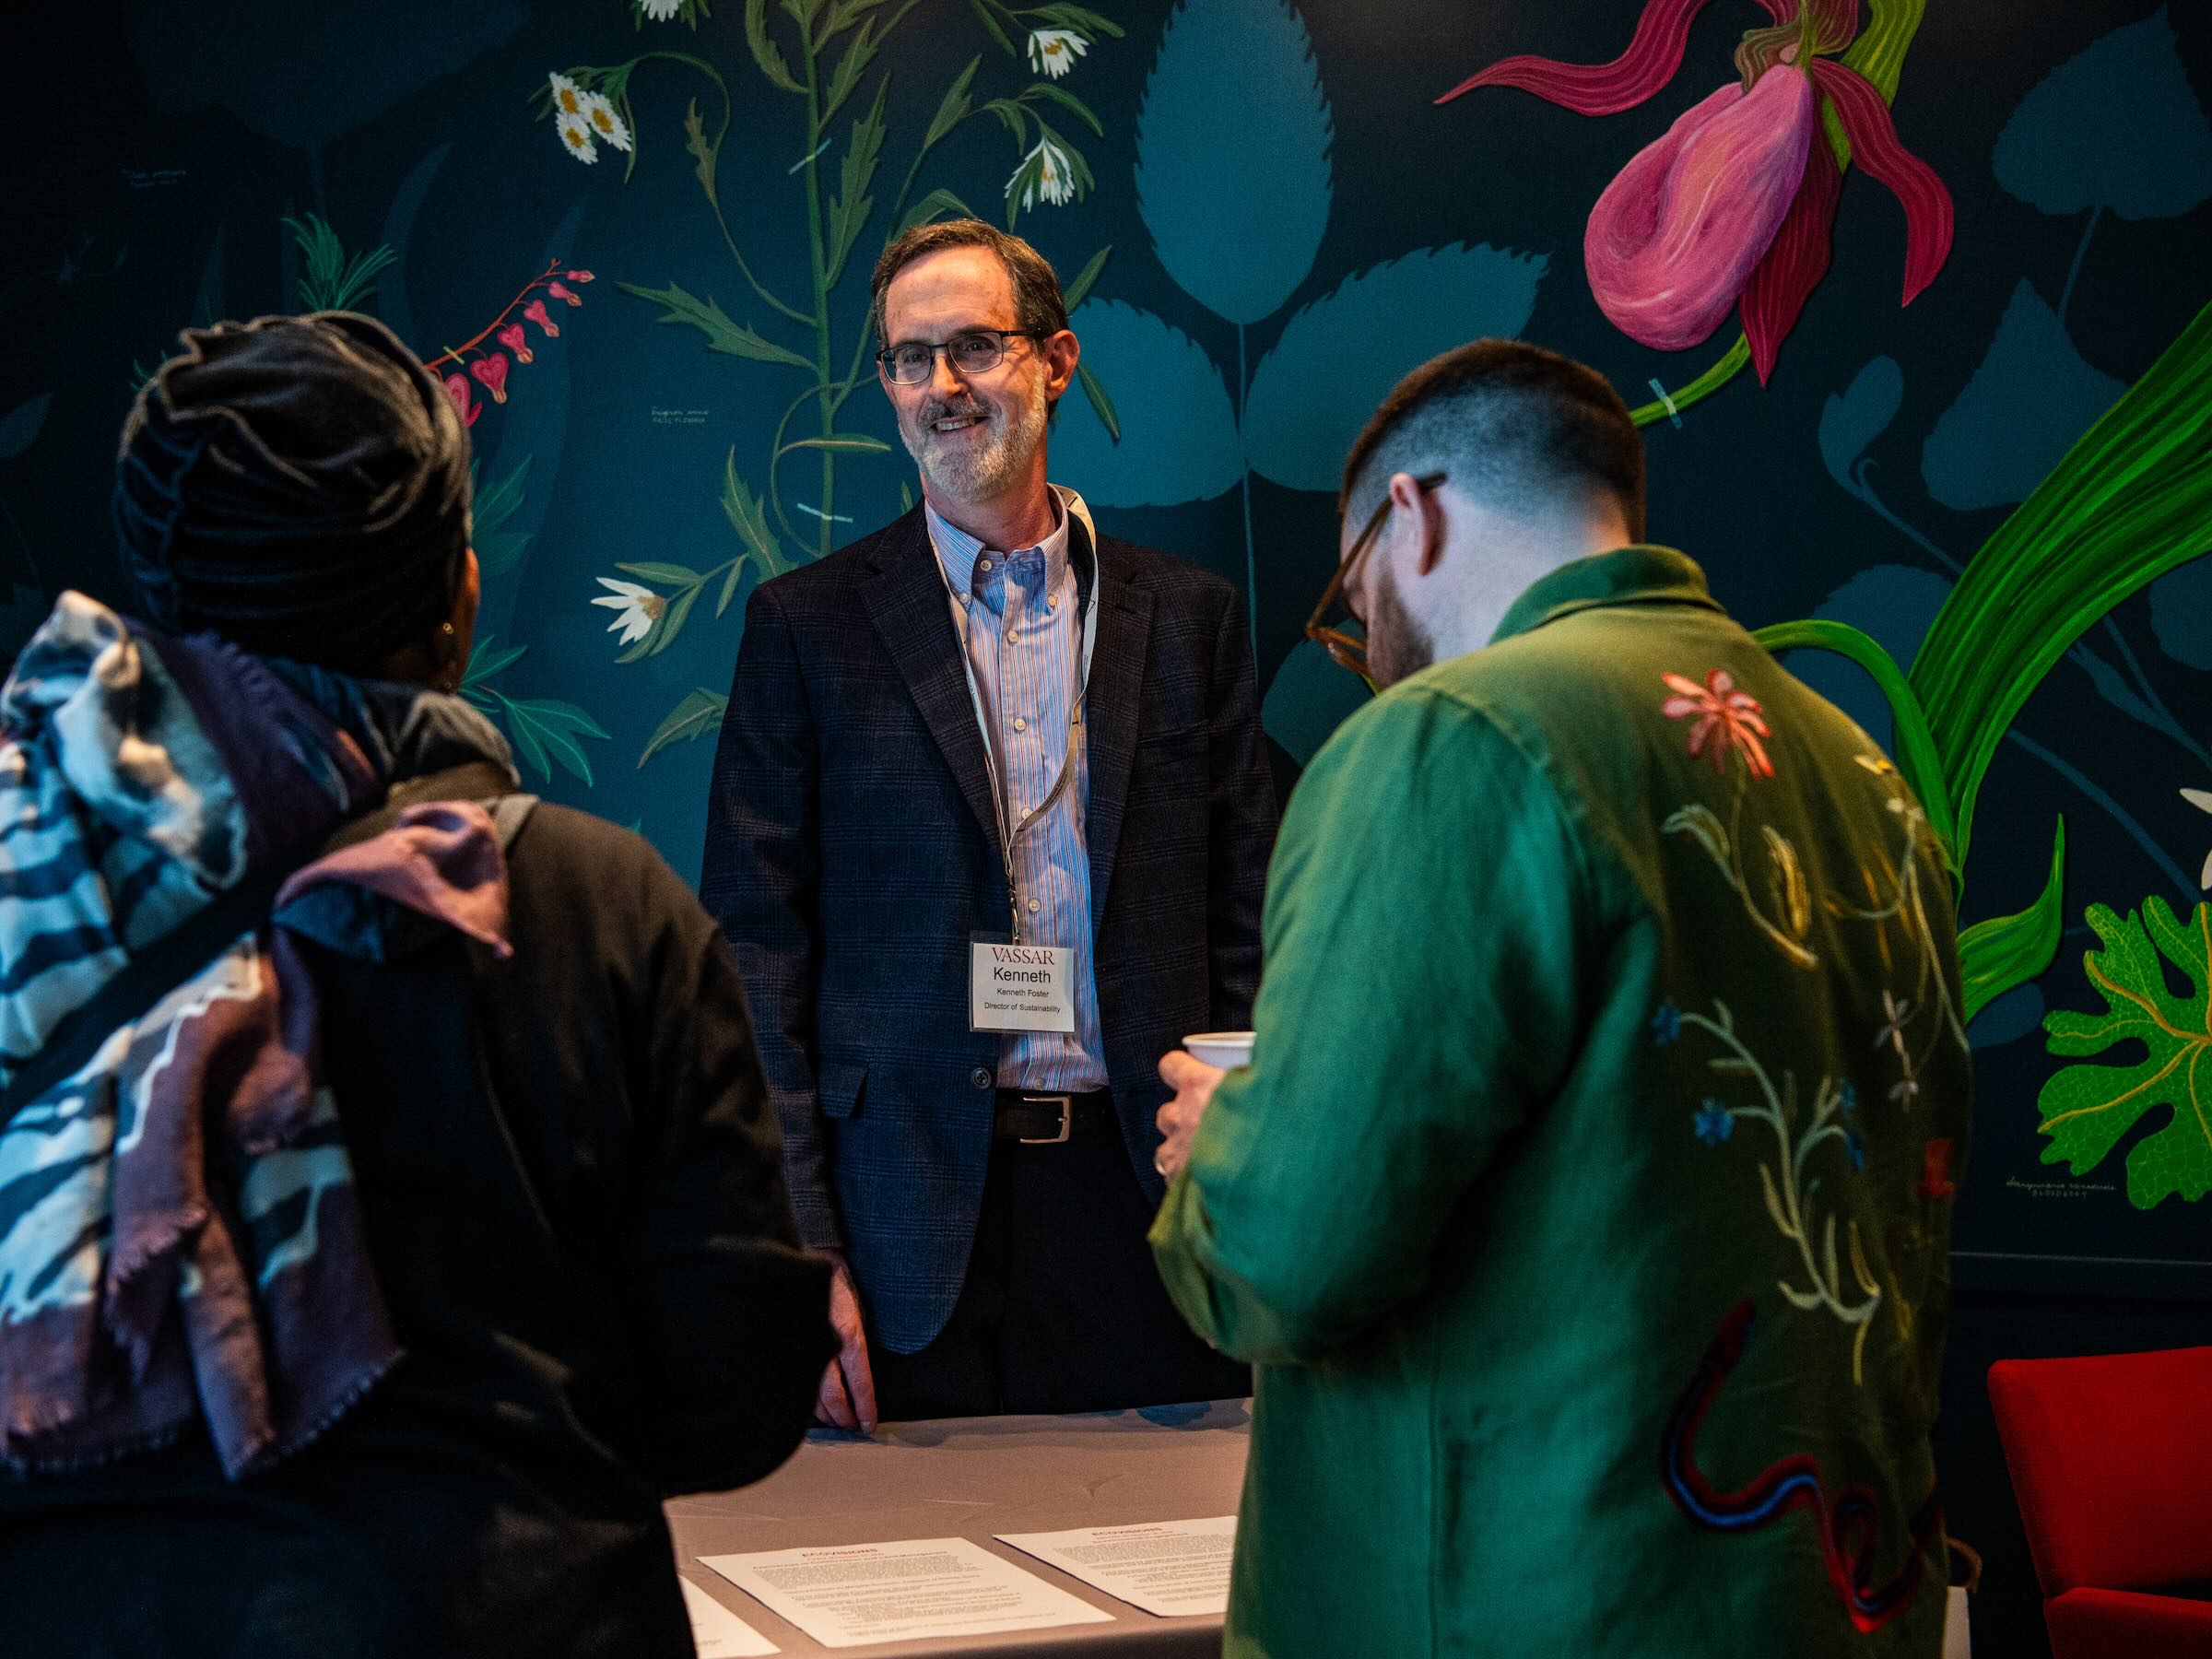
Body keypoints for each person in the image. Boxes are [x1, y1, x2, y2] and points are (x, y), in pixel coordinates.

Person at [0, 312, 832, 1659]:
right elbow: (735, 1393)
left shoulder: (20, 891)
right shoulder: (602, 907)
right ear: (458, 600)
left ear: (152, 599)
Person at [1148, 340, 1972, 1656]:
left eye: (1353, 598)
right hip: (1830, 1606)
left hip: (1526, 1605)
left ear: (1407, 518)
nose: (1366, 643)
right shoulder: (1864, 775)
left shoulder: (1449, 739)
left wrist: (1224, 1149)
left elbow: (1283, 1257)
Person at [701, 219, 1276, 1428]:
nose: (942, 387)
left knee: (1160, 1582)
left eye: (974, 347)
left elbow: (1248, 937)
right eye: (911, 360)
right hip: (896, 1216)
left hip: (1149, 1207)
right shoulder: (803, 630)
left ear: (1055, 361)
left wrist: (1254, 1191)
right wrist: (797, 1248)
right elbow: (755, 957)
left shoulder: (1191, 619)